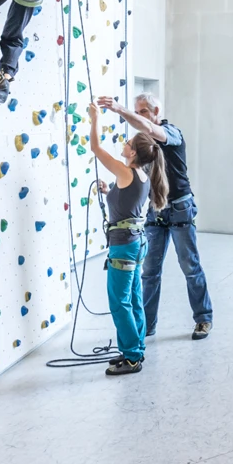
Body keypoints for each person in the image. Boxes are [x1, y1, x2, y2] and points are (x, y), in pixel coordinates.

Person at [95, 93, 213, 341]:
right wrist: (111, 191)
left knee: (190, 266)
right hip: (156, 210)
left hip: (180, 207)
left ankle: (203, 318)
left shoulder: (171, 133)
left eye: (143, 112)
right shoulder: (144, 145)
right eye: (137, 112)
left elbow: (149, 128)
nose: (139, 117)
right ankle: (147, 324)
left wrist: (119, 109)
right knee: (149, 271)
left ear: (156, 111)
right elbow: (136, 183)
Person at [86, 102, 168, 376]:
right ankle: (136, 349)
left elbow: (96, 148)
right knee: (132, 299)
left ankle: (132, 357)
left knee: (119, 302)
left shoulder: (126, 171)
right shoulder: (140, 175)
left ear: (133, 153)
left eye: (128, 142)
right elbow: (126, 201)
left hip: (124, 246)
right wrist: (109, 191)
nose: (124, 143)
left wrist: (95, 118)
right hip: (135, 243)